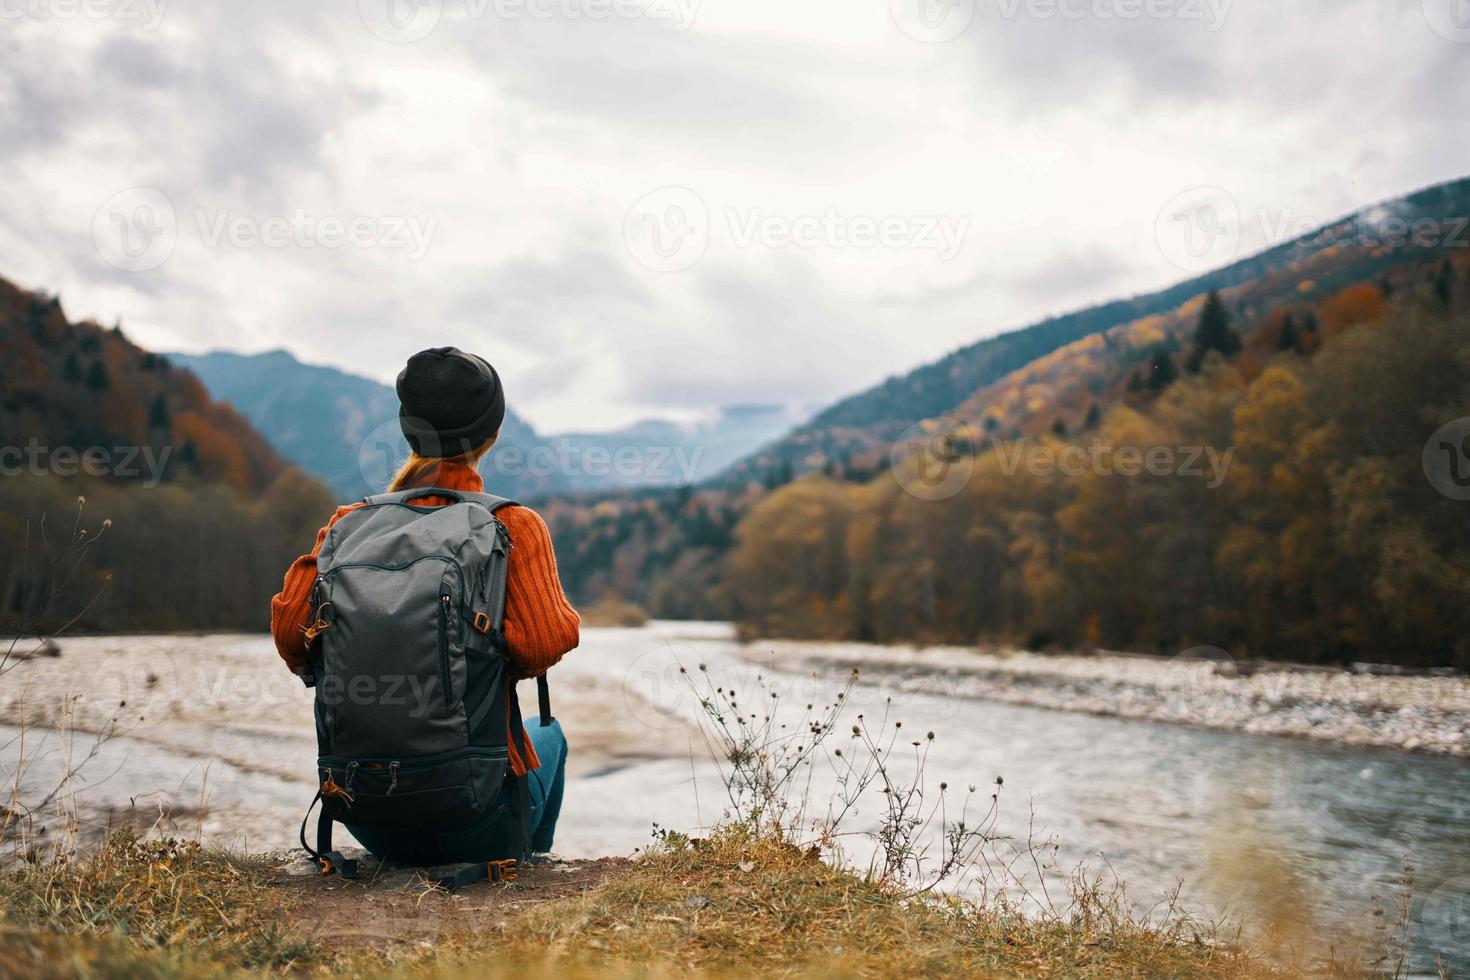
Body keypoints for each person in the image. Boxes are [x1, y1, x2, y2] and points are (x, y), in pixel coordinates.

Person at [270, 347, 580, 861]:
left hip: (362, 811)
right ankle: (528, 863)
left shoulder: (350, 522)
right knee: (550, 735)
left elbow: (291, 637)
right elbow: (545, 641)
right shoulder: (513, 525)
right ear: (492, 435)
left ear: (408, 431)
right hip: (474, 815)